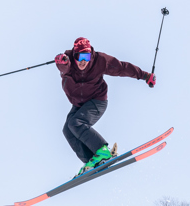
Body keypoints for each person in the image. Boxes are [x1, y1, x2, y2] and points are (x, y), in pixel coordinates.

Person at [55, 37, 156, 176]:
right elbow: (64, 68)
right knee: (67, 129)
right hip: (79, 104)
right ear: (74, 55)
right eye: (80, 56)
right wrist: (62, 62)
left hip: (97, 101)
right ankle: (92, 161)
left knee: (76, 123)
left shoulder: (100, 61)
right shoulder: (68, 63)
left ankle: (102, 151)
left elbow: (122, 68)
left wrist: (145, 76)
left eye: (87, 56)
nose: (83, 61)